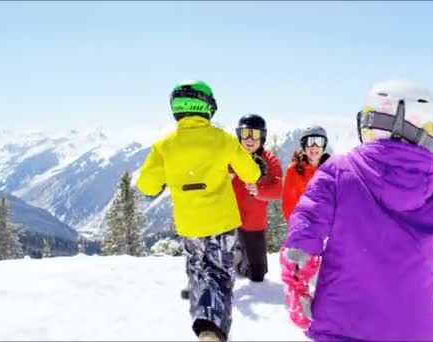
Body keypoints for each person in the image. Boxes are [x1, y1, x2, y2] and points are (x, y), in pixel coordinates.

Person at [278, 80, 433, 341]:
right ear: (426, 132)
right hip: (412, 332)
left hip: (342, 325)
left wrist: (296, 284)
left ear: (369, 124)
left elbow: (306, 225)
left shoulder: (338, 173)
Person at [136, 80, 263, 342]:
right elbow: (251, 173)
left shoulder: (164, 146)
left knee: (197, 271)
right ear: (208, 107)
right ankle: (213, 329)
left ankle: (203, 323)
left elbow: (147, 185)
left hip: (189, 225)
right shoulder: (222, 140)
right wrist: (254, 165)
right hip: (222, 223)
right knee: (220, 275)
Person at [231, 114, 283, 282]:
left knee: (258, 274)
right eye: (245, 133)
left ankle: (239, 259)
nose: (249, 139)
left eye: (255, 134)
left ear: (262, 137)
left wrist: (259, 190)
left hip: (253, 223)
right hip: (228, 221)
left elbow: (278, 188)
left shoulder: (269, 160)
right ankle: (230, 259)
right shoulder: (230, 158)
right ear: (239, 135)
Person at [281, 125, 331, 222]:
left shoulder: (331, 169)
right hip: (304, 226)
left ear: (324, 146)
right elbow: (289, 204)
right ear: (304, 145)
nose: (314, 147)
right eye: (310, 142)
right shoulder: (294, 170)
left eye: (319, 142)